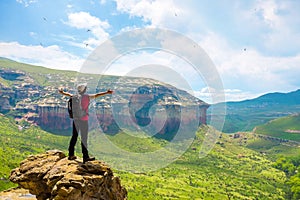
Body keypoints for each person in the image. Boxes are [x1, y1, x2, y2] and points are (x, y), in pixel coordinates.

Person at [58, 84, 113, 163]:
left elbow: (68, 94)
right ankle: (85, 157)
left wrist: (62, 92)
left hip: (76, 120)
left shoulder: (74, 97)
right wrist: (107, 92)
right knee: (84, 138)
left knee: (74, 136)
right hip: (84, 120)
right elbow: (97, 95)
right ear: (84, 90)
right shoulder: (87, 97)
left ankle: (71, 154)